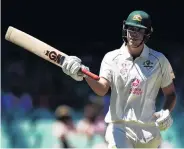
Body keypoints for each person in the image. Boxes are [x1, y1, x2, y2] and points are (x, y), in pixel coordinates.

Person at [62, 10, 177, 148]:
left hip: (148, 130)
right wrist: (84, 73)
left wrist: (166, 111)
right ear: (125, 28)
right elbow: (102, 89)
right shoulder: (111, 58)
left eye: (139, 30)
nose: (133, 33)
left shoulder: (159, 60)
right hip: (119, 127)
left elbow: (170, 94)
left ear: (147, 33)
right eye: (130, 28)